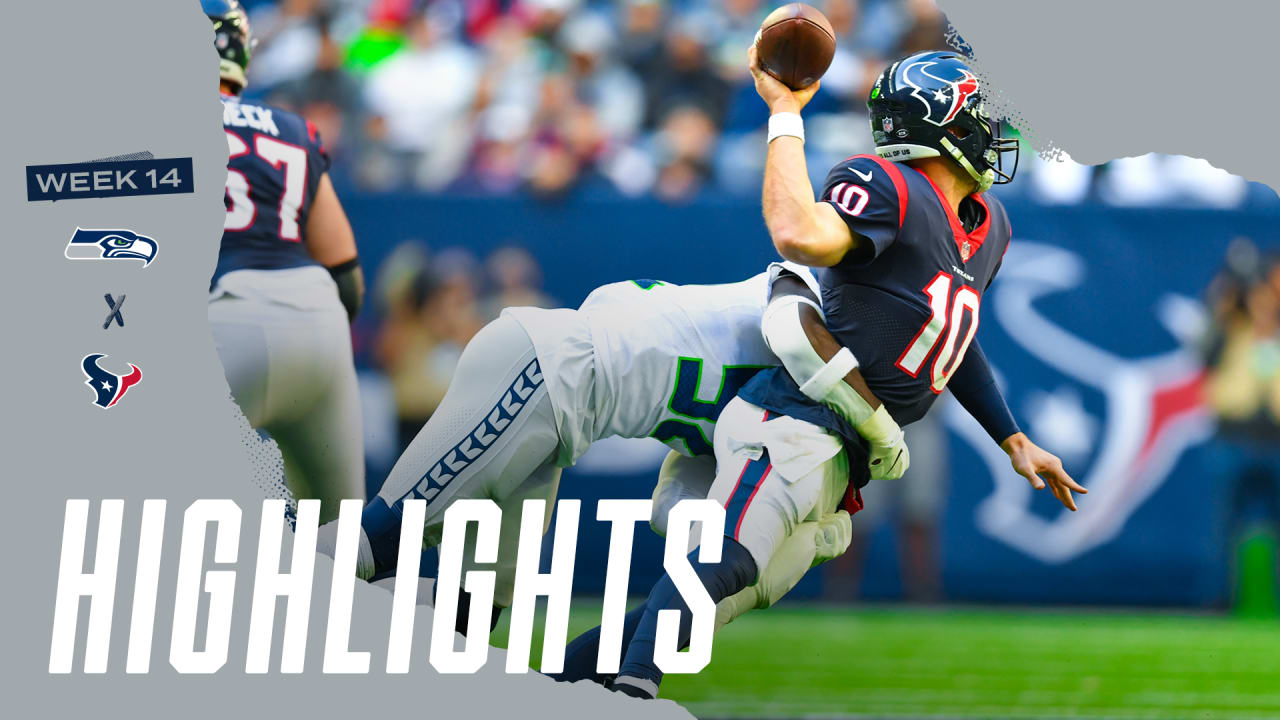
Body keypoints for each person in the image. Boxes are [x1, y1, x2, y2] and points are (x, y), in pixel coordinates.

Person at [602, 48, 1086, 700]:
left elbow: (953, 337)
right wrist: (784, 116)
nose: (992, 129)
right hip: (801, 416)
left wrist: (1012, 438)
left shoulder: (990, 223)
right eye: (979, 116)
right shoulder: (887, 186)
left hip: (850, 450)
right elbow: (800, 235)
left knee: (714, 599)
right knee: (726, 559)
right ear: (943, 127)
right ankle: (629, 692)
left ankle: (571, 681)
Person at [317, 263, 910, 638]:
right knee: (373, 542)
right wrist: (879, 427)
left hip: (559, 424)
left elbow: (680, 522)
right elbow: (793, 324)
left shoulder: (766, 420)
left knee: (473, 612)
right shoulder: (800, 301)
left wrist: (805, 537)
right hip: (543, 368)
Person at [205, 0, 366, 521]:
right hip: (316, 323)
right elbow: (347, 276)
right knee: (340, 543)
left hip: (221, 321)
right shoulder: (290, 128)